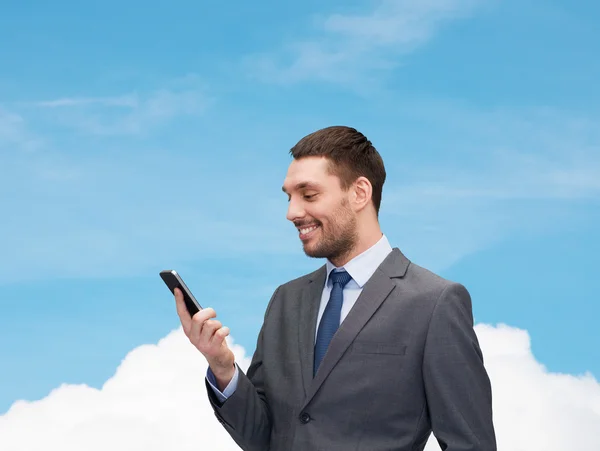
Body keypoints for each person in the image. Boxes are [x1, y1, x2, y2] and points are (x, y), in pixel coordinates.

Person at [173, 126, 497, 450]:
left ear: (359, 193)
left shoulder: (434, 302)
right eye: (289, 197)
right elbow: (264, 437)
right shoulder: (286, 300)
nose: (292, 213)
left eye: (309, 195)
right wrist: (222, 366)